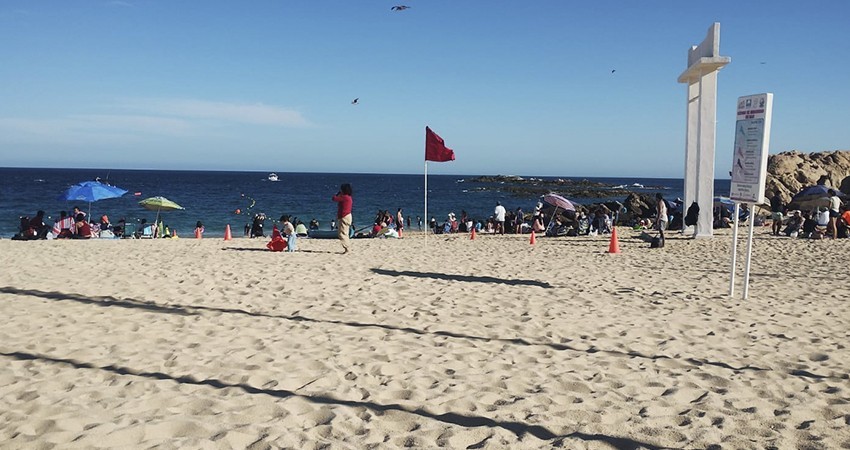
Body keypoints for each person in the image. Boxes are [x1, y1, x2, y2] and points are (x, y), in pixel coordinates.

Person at [332, 183, 353, 254]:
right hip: (348, 216)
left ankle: (347, 248)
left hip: (344, 216)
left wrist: (338, 193)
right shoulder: (349, 197)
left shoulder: (344, 197)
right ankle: (347, 248)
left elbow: (334, 198)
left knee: (341, 234)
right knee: (345, 233)